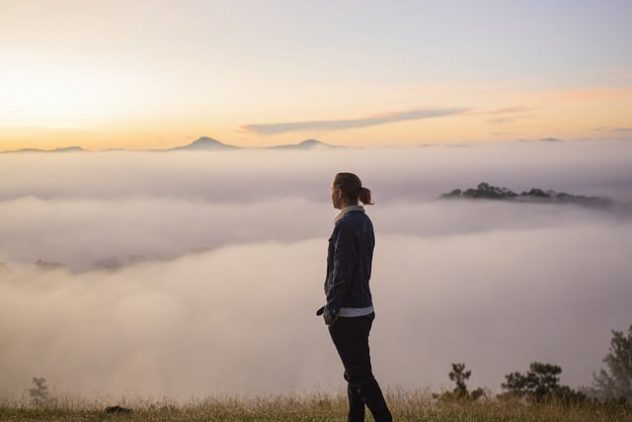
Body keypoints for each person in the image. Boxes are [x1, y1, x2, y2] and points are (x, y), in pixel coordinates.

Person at [317, 172, 393, 422]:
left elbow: (342, 273)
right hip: (364, 309)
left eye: (331, 190)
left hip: (347, 314)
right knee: (355, 373)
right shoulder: (364, 222)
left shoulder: (345, 225)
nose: (330, 195)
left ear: (339, 191)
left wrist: (332, 309)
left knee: (360, 377)